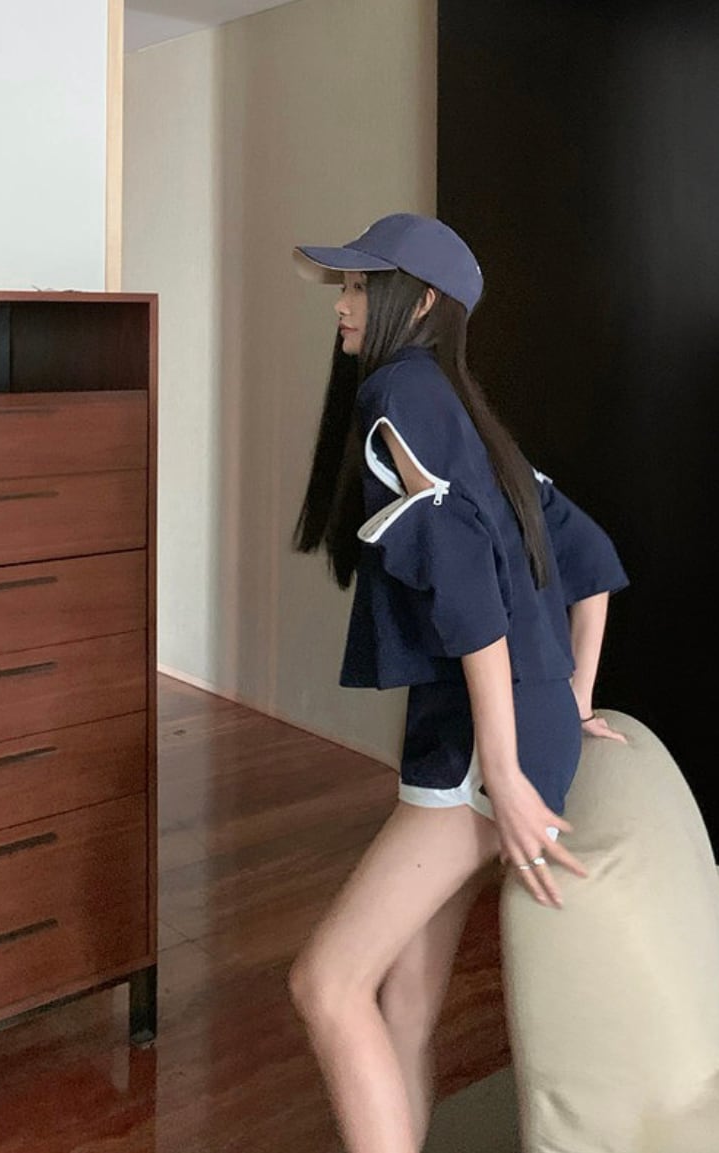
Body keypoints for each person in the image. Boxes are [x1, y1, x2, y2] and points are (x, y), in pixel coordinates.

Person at [287, 212, 628, 1153]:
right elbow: (593, 557)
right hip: (497, 722)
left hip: (482, 739)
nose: (344, 305)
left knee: (326, 983)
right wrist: (569, 699)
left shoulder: (398, 395)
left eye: (361, 286)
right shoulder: (472, 419)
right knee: (405, 998)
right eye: (346, 286)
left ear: (421, 301)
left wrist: (506, 770)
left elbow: (469, 588)